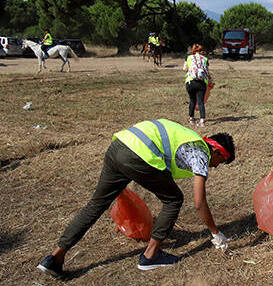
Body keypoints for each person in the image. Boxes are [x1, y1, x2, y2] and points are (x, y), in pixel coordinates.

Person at [37, 119, 235, 277]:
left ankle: (55, 258)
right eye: (221, 161)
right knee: (174, 200)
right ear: (216, 150)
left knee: (96, 204)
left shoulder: (187, 137)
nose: (216, 166)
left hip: (119, 146)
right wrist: (215, 233)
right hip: (138, 155)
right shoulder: (200, 151)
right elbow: (199, 203)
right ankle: (151, 256)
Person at [183, 44, 211, 127]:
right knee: (200, 102)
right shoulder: (205, 59)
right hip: (201, 83)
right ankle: (202, 121)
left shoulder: (188, 57)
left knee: (192, 100)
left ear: (193, 50)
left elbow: (184, 69)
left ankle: (191, 119)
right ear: (201, 51)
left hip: (190, 82)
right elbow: (207, 72)